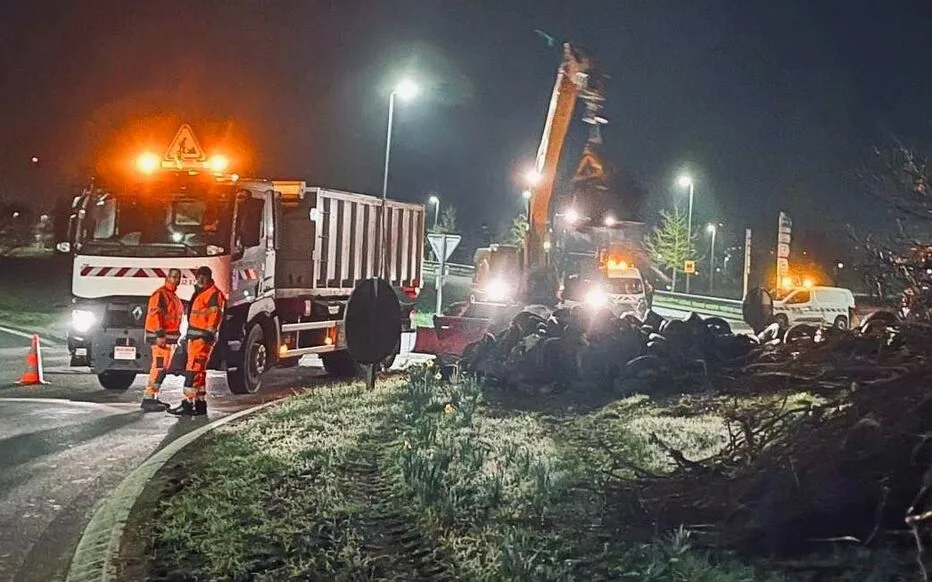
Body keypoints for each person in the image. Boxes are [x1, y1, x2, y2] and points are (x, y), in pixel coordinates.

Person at [168, 266, 226, 417]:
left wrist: (208, 332)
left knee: (193, 369)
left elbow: (215, 315)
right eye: (198, 276)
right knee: (199, 371)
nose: (200, 279)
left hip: (202, 338)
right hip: (196, 337)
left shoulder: (212, 294)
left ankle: (187, 403)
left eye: (203, 276)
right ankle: (200, 403)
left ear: (209, 277)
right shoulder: (201, 292)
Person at [141, 268, 184, 412]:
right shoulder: (161, 295)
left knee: (162, 368)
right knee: (159, 367)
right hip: (161, 340)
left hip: (168, 341)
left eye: (177, 277)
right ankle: (149, 397)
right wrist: (159, 334)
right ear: (167, 277)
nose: (175, 279)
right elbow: (155, 315)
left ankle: (153, 396)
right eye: (173, 276)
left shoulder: (172, 296)